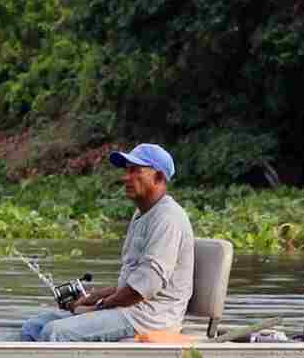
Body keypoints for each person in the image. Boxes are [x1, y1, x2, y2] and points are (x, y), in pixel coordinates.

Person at [20, 143, 194, 343]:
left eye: (136, 171)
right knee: (34, 327)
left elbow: (144, 287)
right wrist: (90, 298)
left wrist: (98, 306)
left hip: (149, 318)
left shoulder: (167, 218)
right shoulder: (141, 214)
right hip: (129, 309)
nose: (126, 177)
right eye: (126, 170)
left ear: (160, 177)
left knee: (55, 333)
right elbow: (129, 283)